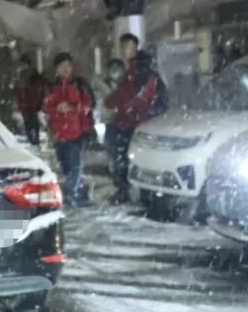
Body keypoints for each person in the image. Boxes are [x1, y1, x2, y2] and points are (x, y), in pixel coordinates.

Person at [104, 33, 167, 204]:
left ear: (134, 47)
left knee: (124, 159)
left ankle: (127, 192)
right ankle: (142, 194)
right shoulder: (139, 68)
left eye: (128, 46)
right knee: (134, 158)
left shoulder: (138, 70)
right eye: (123, 46)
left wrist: (113, 102)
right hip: (136, 121)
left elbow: (129, 96)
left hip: (132, 122)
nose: (125, 50)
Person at [43, 52, 93, 207]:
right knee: (66, 166)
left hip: (77, 133)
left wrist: (72, 107)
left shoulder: (80, 85)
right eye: (61, 66)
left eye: (68, 65)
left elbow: (88, 105)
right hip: (59, 134)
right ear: (56, 69)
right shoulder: (51, 87)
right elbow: (46, 107)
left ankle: (72, 195)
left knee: (74, 166)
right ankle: (75, 192)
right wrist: (57, 108)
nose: (65, 69)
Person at [13, 55, 45, 147]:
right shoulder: (23, 76)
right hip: (29, 105)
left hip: (30, 105)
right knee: (31, 124)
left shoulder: (28, 76)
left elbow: (33, 90)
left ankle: (34, 141)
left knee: (31, 124)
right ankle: (34, 141)